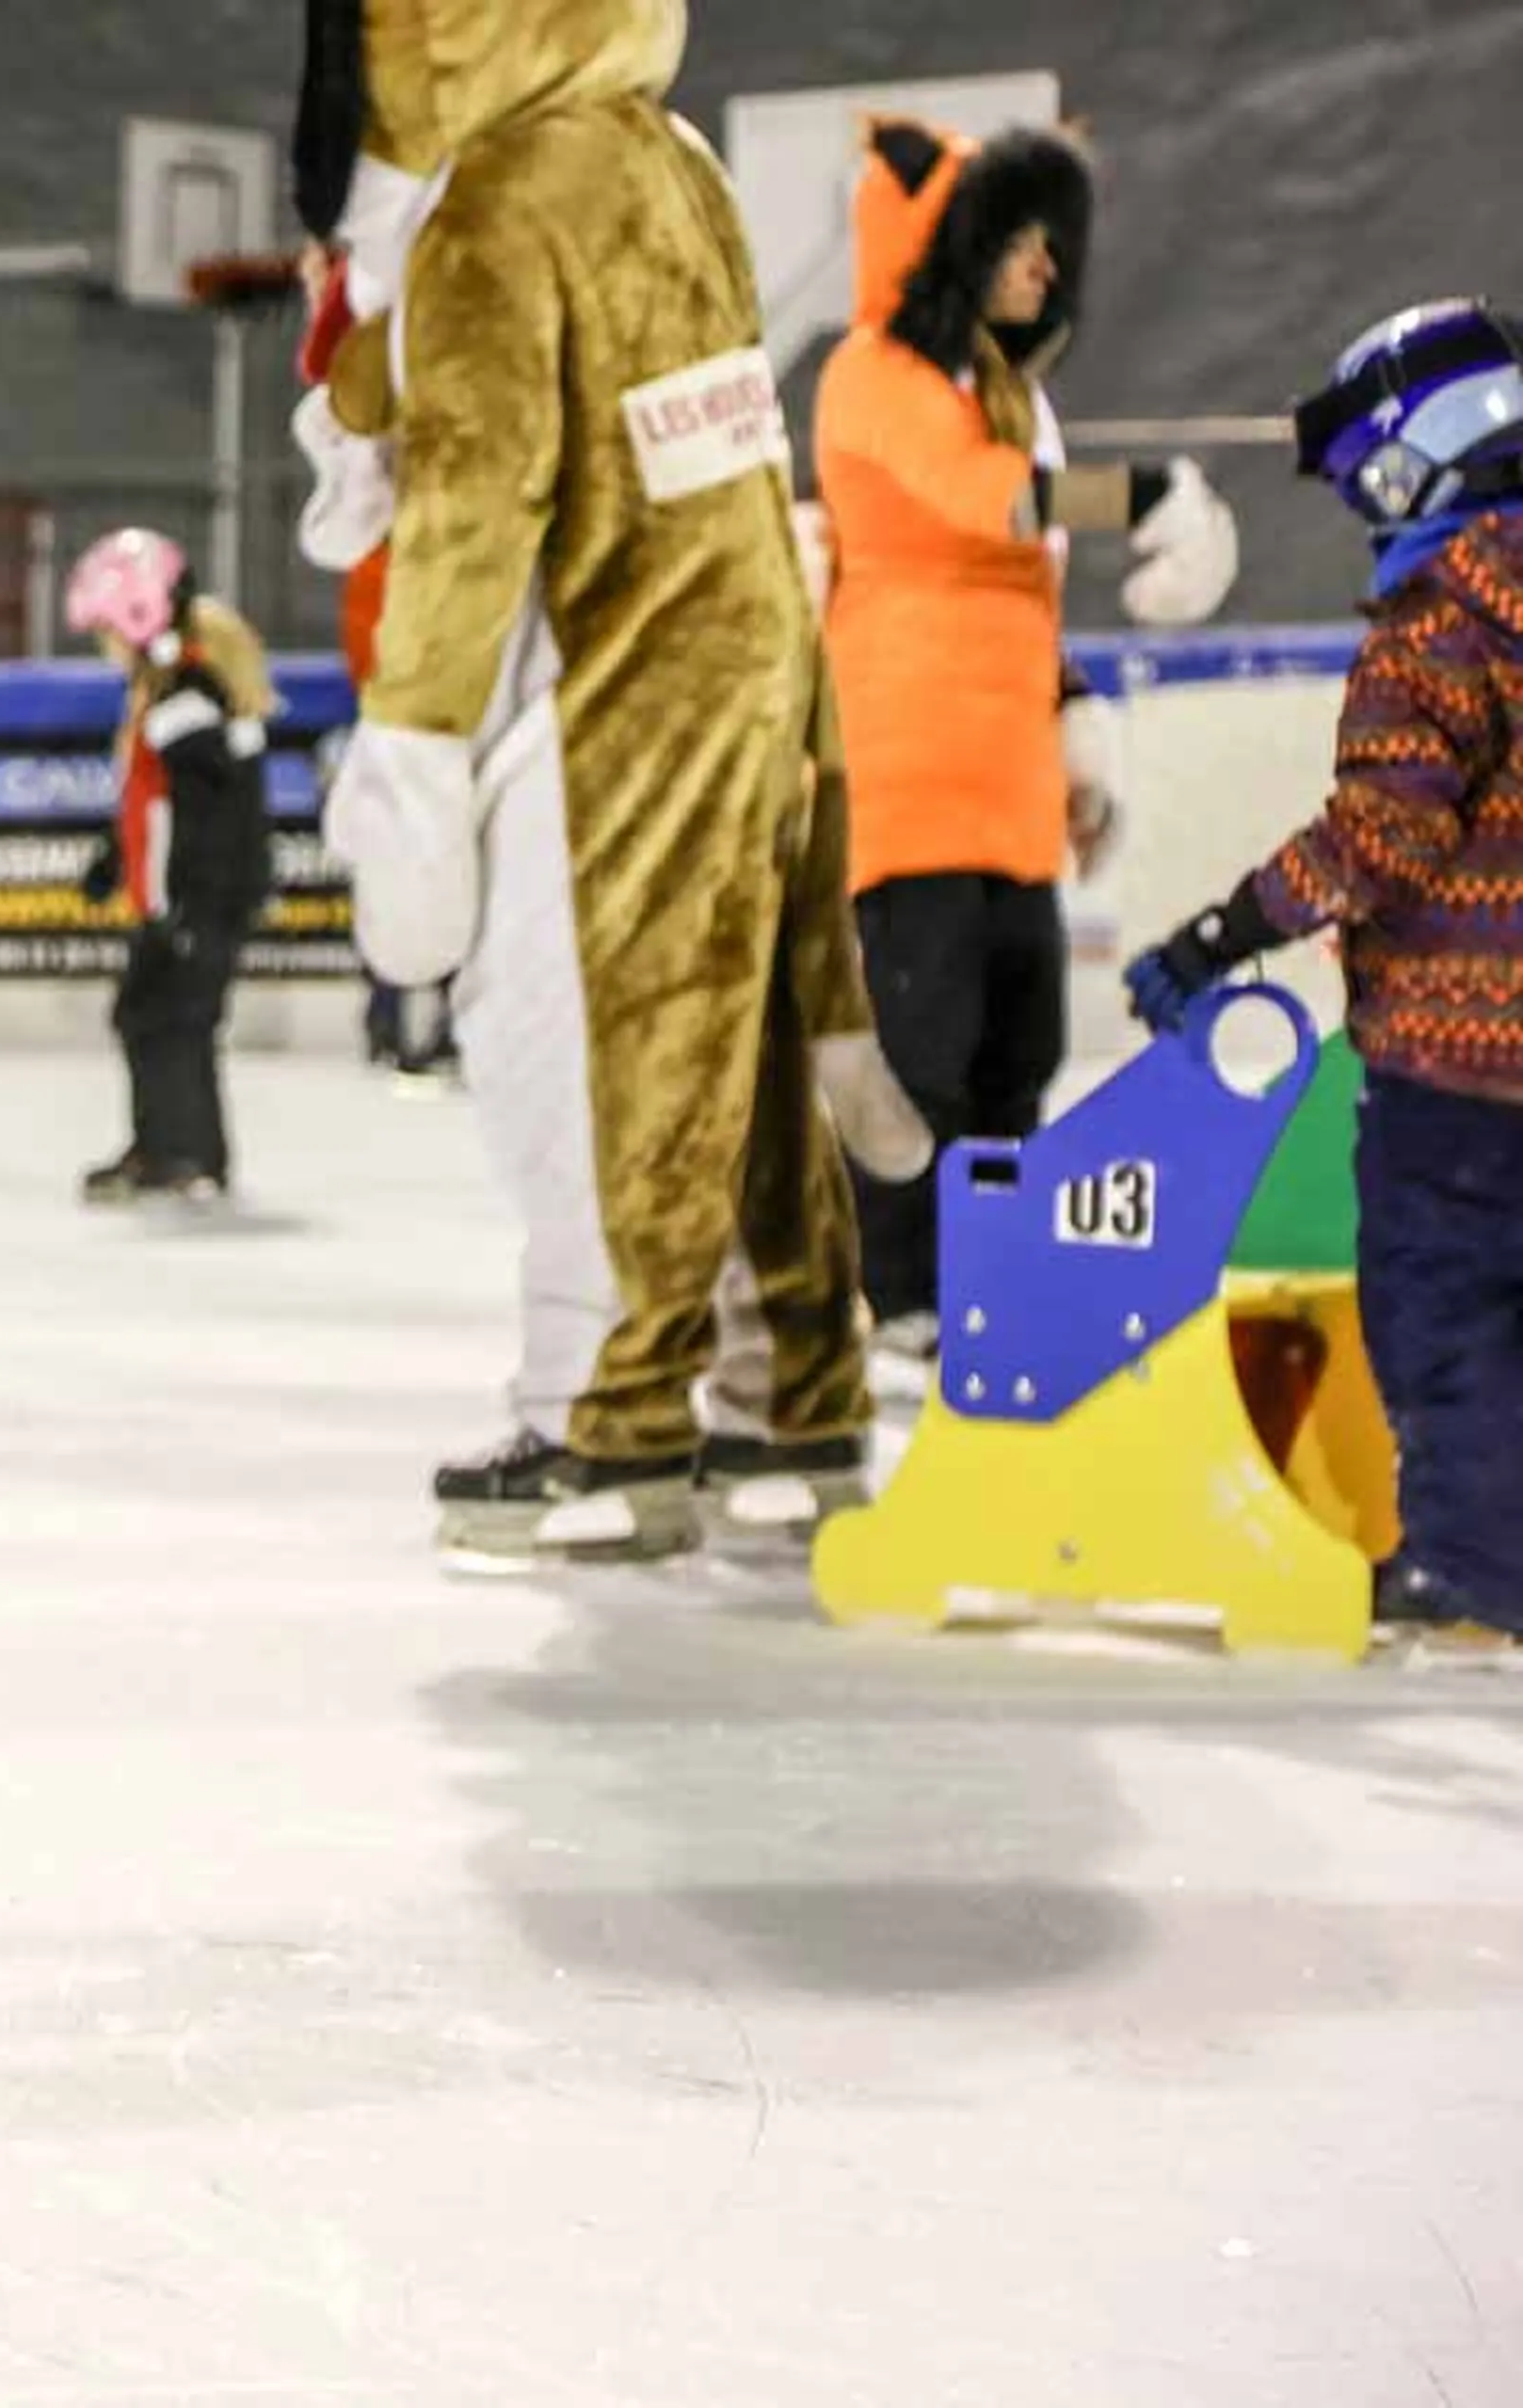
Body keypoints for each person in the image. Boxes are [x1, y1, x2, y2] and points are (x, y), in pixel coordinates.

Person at [287, 0, 929, 1561]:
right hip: (745, 646)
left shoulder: (504, 186)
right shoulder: (671, 156)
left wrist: (419, 746)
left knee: (593, 1068)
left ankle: (611, 1416)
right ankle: (797, 1390)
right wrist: (368, 390)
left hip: (609, 685)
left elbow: (477, 497)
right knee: (751, 1053)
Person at [1124, 297, 1523, 1664]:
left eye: (1372, 476)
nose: (1369, 503)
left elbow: (1382, 839)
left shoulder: (1441, 619)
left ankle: (1476, 1582)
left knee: (1446, 1310)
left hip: (1459, 1062)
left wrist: (1221, 933)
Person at [812, 119, 1239, 1365]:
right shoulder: (872, 375)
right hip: (907, 786)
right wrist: (1149, 491)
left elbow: (1027, 592)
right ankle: (892, 1295)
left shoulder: (1009, 399)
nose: (1044, 272)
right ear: (949, 248)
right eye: (1017, 245)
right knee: (916, 1056)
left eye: (1054, 249)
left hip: (1006, 797)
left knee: (1019, 1054)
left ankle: (981, 1280)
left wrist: (1076, 741)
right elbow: (985, 504)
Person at [61, 528, 276, 1204]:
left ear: (137, 616)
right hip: (179, 900)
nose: (106, 647)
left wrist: (193, 904)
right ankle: (170, 1146)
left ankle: (183, 1152)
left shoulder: (189, 695)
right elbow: (152, 801)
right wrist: (112, 863)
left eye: (106, 631)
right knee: (150, 1014)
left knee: (173, 1019)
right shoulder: (170, 693)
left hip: (199, 899)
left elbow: (216, 816)